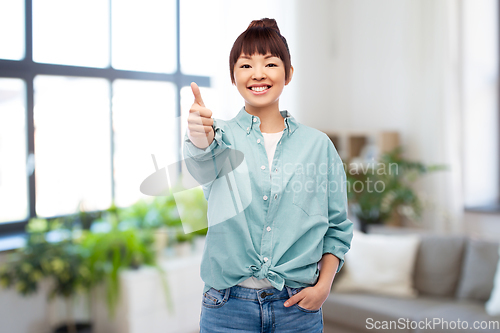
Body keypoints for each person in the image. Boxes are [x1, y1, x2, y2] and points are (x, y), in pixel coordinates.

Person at [183, 18, 353, 333]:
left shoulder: (318, 146)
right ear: (233, 76)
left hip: (297, 309)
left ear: (288, 73)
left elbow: (337, 227)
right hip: (226, 308)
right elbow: (201, 166)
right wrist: (198, 138)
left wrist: (324, 286)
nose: (258, 74)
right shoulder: (218, 135)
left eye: (270, 63)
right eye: (246, 65)